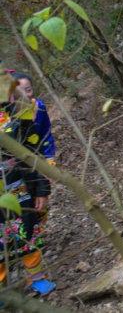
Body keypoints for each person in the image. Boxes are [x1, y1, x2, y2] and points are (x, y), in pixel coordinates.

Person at [0, 74, 56, 296]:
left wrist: (41, 187)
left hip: (21, 188)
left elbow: (34, 151)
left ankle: (37, 278)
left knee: (28, 232)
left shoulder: (17, 115)